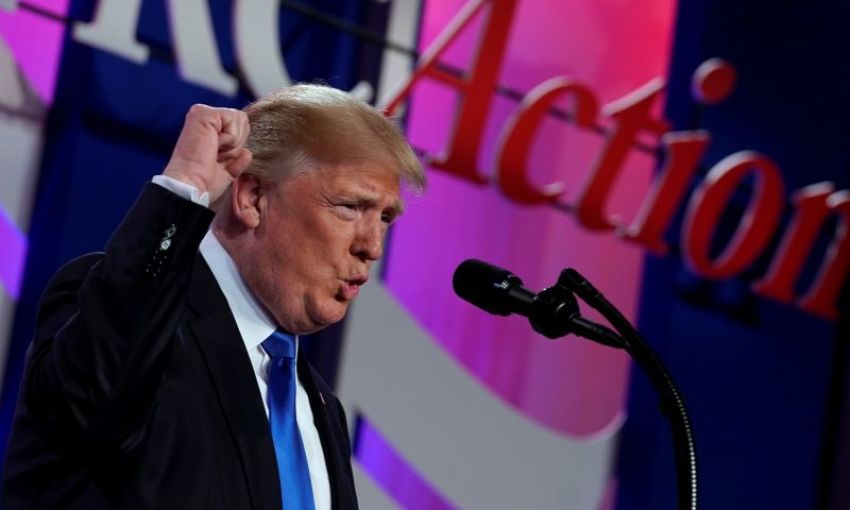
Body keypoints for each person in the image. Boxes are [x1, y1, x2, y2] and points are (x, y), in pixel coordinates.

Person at [2, 84, 425, 509]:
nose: (372, 246)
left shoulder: (320, 409)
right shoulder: (126, 318)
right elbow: (90, 406)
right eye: (350, 206)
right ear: (253, 197)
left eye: (385, 217)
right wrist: (182, 189)